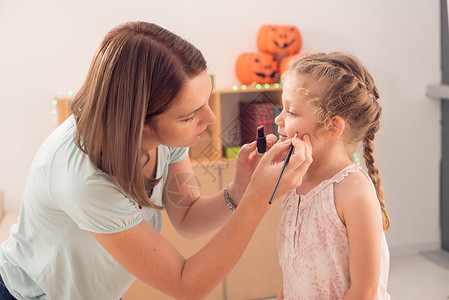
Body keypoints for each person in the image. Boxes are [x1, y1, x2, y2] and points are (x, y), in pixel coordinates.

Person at [0, 21, 313, 300]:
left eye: (206, 101)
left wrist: (240, 189)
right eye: (190, 115)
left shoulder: (163, 138)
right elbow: (187, 286)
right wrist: (258, 199)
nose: (211, 118)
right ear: (139, 122)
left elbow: (187, 216)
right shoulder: (83, 179)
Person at [275, 52, 390, 299]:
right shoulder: (294, 181)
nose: (278, 119)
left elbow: (364, 291)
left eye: (292, 112)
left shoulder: (354, 193)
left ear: (332, 126)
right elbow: (291, 273)